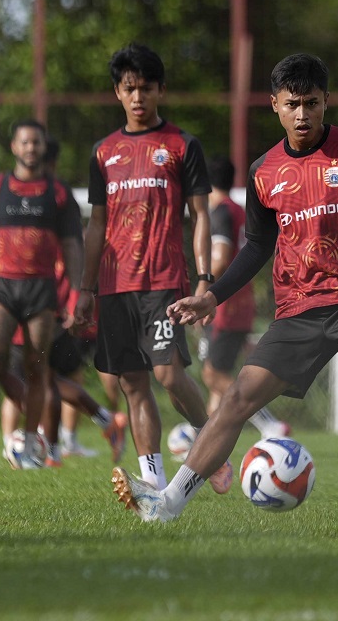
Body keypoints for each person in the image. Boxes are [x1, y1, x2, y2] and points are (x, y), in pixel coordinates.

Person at [112, 53, 338, 525]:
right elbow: (257, 247)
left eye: (312, 103)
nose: (303, 114)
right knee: (238, 396)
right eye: (293, 104)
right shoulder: (264, 172)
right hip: (299, 306)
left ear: (326, 102)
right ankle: (167, 504)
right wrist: (211, 296)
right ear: (275, 106)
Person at [72, 43, 230, 494]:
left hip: (164, 281)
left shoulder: (182, 145)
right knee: (131, 382)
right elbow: (96, 225)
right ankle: (152, 481)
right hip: (115, 284)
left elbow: (200, 215)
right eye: (129, 88)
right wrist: (85, 289)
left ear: (161, 90)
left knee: (167, 374)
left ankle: (214, 450)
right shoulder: (103, 153)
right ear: (117, 93)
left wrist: (204, 280)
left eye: (146, 88)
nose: (138, 96)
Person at [0, 120, 84, 468]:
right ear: (14, 147)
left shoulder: (59, 193)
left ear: (43, 147)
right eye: (25, 142)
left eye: (36, 142)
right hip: (2, 290)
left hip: (41, 293)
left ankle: (30, 448)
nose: (31, 148)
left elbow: (72, 246)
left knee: (37, 370)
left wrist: (77, 294)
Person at [199, 156, 288, 439]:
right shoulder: (238, 209)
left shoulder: (220, 212)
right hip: (241, 300)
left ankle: (267, 423)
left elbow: (221, 257)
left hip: (224, 304)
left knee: (212, 375)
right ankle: (205, 435)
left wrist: (203, 290)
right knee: (219, 374)